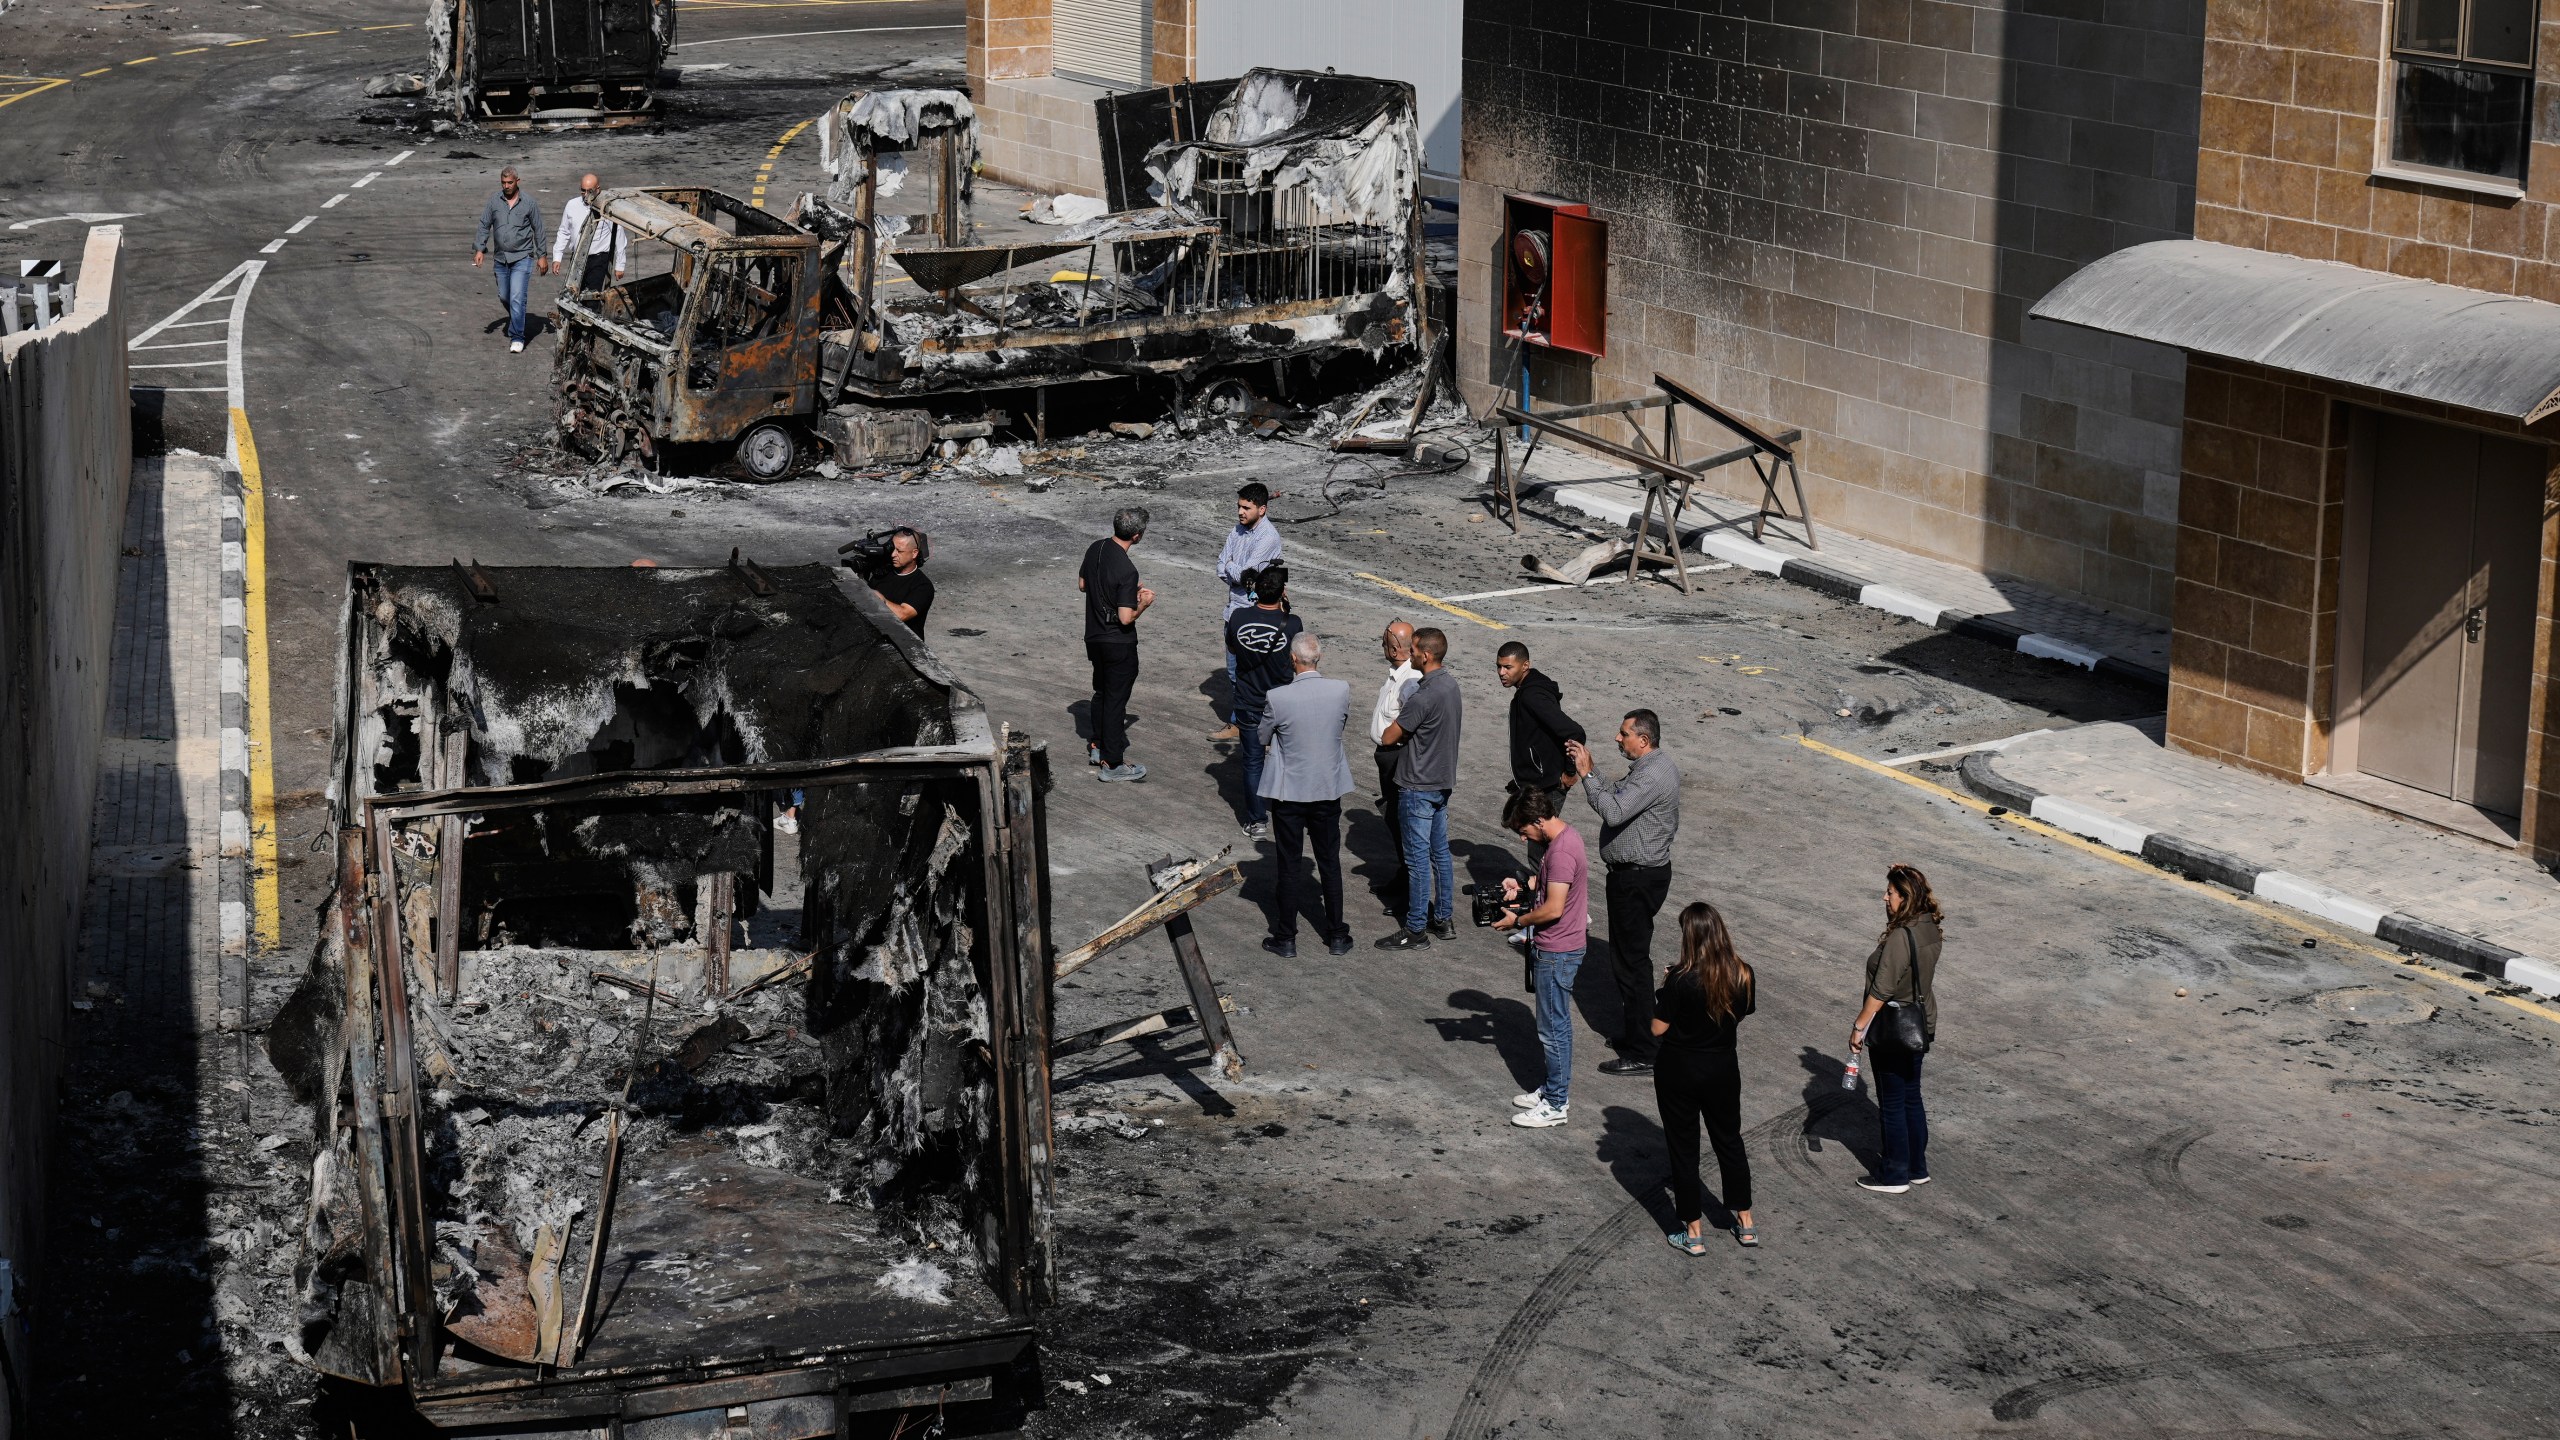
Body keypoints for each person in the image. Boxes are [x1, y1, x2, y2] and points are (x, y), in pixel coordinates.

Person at [1565, 710, 1681, 1078]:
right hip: (1636, 877)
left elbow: (1614, 811)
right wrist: (1593, 771)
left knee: (1631, 966)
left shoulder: (1652, 774)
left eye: (1624, 733)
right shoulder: (1649, 767)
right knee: (1631, 962)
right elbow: (1618, 795)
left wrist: (1587, 776)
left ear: (1643, 740)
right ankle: (1639, 1032)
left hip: (1636, 880)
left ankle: (1645, 1051)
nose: (1618, 738)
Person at [1652, 902, 1757, 1252]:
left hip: (1679, 1069)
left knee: (1684, 1149)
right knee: (1729, 1141)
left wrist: (1665, 989)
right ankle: (1746, 1223)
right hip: (1722, 1069)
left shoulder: (1680, 979)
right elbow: (1741, 1012)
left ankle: (1693, 1232)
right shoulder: (1743, 974)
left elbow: (1657, 1028)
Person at [1256, 632, 1356, 957]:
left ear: (1293, 659)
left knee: (1288, 865)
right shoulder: (1340, 690)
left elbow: (1262, 736)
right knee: (1329, 863)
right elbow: (1339, 726)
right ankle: (1337, 934)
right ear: (1318, 657)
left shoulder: (1278, 697)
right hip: (1326, 789)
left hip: (1290, 793)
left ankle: (1286, 938)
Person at [1493, 787, 1587, 1128]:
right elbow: (1550, 885)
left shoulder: (1560, 852)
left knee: (1553, 1030)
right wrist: (1525, 886)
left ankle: (1556, 1104)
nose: (1522, 838)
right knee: (1554, 1025)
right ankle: (1551, 1090)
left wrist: (1517, 921)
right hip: (1560, 947)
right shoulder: (1564, 839)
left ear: (1537, 820)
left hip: (1557, 951)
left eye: (1523, 830)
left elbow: (1553, 908)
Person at [1850, 864, 1942, 1194]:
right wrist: (1903, 872)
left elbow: (1882, 990)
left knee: (1891, 1104)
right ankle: (1917, 1167)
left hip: (1894, 1027)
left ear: (1905, 897)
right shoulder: (1928, 925)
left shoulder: (1901, 937)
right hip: (1920, 1022)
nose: (1884, 898)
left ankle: (1894, 1174)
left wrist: (1859, 1027)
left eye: (1890, 893)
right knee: (1910, 1097)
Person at [1375, 627, 1460, 949]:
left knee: (1417, 861)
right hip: (1441, 782)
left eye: (1412, 650)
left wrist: (1406, 730)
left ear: (1425, 655)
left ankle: (1415, 930)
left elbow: (1388, 736)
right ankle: (1444, 919)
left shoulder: (1422, 697)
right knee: (1440, 855)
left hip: (1417, 786)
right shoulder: (1451, 686)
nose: (1408, 655)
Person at [1223, 567, 1304, 838]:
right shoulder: (1293, 623)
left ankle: (1257, 822)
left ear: (1255, 590)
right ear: (1283, 592)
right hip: (1283, 703)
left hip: (1249, 700)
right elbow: (1295, 657)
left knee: (1253, 761)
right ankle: (1292, 813)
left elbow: (1233, 648)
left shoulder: (1238, 617)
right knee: (1289, 759)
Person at [1078, 507, 1156, 783]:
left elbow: (1083, 584)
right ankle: (1112, 763)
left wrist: (1122, 591)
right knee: (1115, 700)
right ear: (1137, 536)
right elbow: (1125, 618)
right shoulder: (1127, 569)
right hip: (1117, 643)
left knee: (1101, 692)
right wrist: (1143, 603)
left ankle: (1098, 746)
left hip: (1094, 637)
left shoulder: (1096, 548)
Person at [1209, 482, 1284, 740]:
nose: (1240, 512)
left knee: (1258, 674)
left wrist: (1232, 567)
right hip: (1233, 612)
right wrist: (1234, 570)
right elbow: (1220, 566)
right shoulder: (1237, 530)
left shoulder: (1268, 537)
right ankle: (1240, 722)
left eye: (1246, 508)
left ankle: (1262, 726)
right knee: (1234, 672)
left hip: (1256, 615)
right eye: (1239, 506)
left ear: (1262, 509)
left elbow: (1246, 575)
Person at [1498, 641, 1584, 813]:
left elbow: (1575, 732)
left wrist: (1570, 772)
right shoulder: (1530, 688)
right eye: (1499, 667)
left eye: (1508, 667)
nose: (1501, 673)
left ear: (1525, 666)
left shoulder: (1532, 696)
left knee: (1541, 831)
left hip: (1547, 787)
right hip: (1537, 782)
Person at [1369, 620, 1419, 905]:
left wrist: (1392, 741)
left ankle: (1410, 889)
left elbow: (1412, 724)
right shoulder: (1397, 674)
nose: (1382, 647)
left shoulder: (1410, 680)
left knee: (1403, 823)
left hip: (1398, 757)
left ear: (1395, 649)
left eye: (1385, 643)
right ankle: (1404, 876)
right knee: (1395, 819)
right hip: (1388, 756)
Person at [473, 166, 548, 354]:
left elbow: (538, 229)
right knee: (505, 296)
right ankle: (518, 315)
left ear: (517, 182)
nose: (506, 186)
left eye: (510, 183)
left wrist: (542, 256)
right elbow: (484, 224)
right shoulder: (494, 201)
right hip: (500, 258)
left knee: (516, 297)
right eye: (503, 183)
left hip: (522, 256)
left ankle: (517, 336)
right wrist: (480, 248)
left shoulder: (529, 203)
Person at [551, 172, 629, 294]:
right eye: (583, 191)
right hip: (577, 259)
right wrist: (557, 257)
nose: (586, 195)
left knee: (592, 296)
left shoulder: (608, 207)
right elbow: (564, 232)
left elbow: (619, 235)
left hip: (598, 259)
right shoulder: (572, 205)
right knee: (572, 294)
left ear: (598, 189)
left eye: (590, 191)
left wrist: (620, 265)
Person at [869, 528, 934, 636]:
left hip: (904, 643)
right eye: (892, 549)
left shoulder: (923, 586)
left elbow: (903, 614)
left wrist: (881, 600)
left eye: (899, 551)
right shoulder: (882, 572)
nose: (893, 554)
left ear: (914, 553)